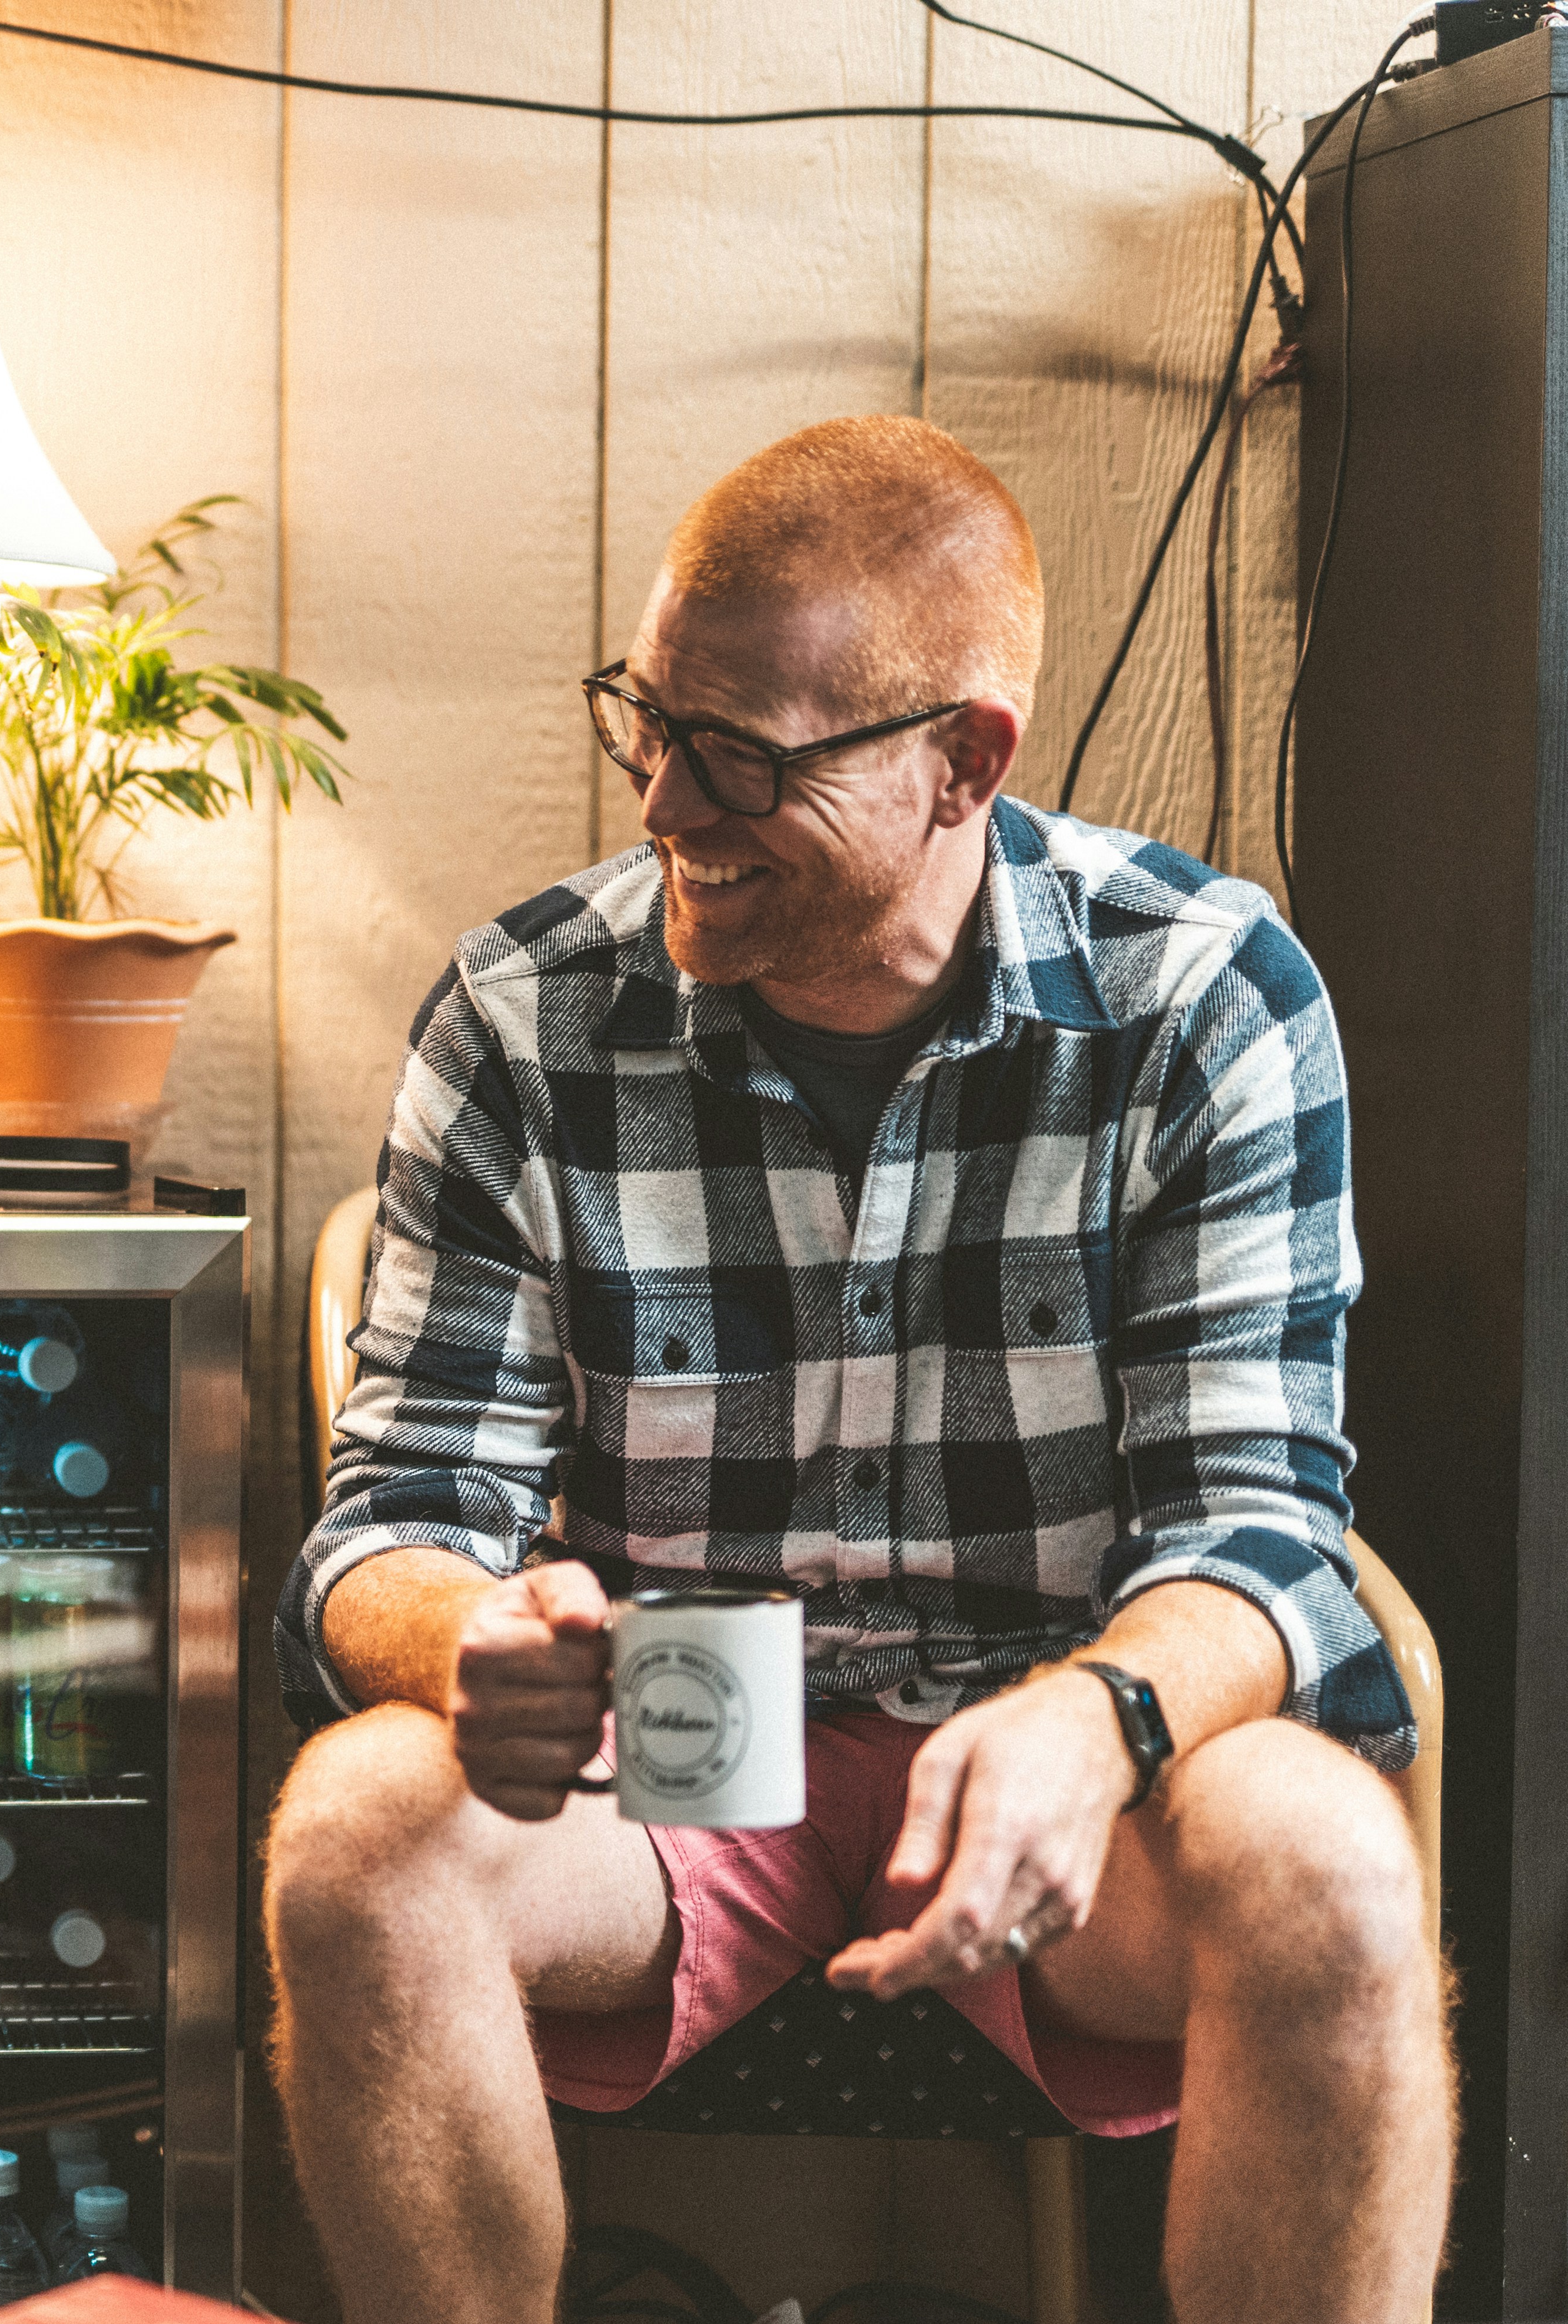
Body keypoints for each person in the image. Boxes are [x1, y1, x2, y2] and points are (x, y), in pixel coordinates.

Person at [266, 419, 1448, 2324]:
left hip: (1047, 1734)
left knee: (1328, 1856)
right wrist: (464, 1640)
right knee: (347, 1837)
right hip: (673, 1739)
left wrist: (1094, 1722)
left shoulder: (1204, 995)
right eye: (646, 724)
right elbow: (394, 1521)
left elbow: (1259, 1528)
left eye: (741, 758)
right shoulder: (521, 1014)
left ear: (959, 759)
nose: (666, 802)